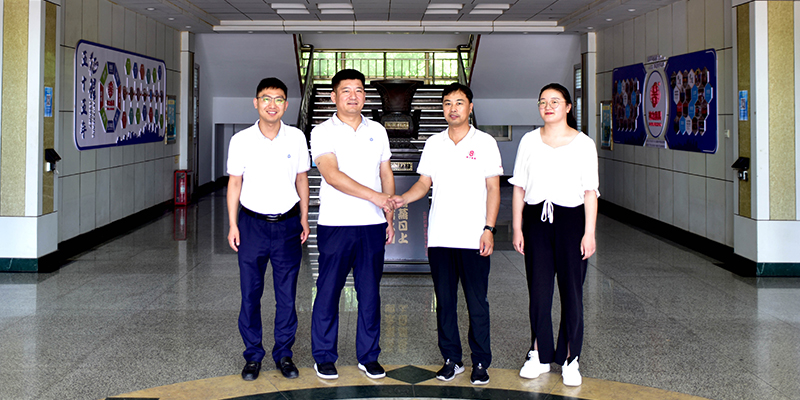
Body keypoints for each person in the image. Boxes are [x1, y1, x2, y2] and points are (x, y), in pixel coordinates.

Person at [391, 83, 502, 385]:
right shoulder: (434, 143)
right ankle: (452, 359)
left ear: (470, 107)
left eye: (459, 102)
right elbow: (423, 183)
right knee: (445, 302)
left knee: (477, 303)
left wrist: (489, 228)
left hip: (474, 237)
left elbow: (493, 188)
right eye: (447, 103)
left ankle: (481, 361)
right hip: (440, 237)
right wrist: (402, 199)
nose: (453, 108)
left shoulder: (485, 143)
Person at [509, 83, 599, 387]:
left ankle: (571, 358)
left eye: (555, 101)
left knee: (571, 292)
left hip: (572, 221)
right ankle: (538, 353)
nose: (548, 107)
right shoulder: (529, 141)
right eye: (543, 102)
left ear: (568, 107)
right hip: (536, 220)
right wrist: (517, 227)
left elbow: (590, 192)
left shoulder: (583, 144)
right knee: (538, 290)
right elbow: (519, 187)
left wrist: (589, 233)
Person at [309, 69, 395, 380]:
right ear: (334, 96)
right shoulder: (322, 132)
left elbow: (386, 172)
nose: (353, 96)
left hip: (372, 225)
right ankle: (324, 356)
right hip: (336, 224)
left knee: (370, 294)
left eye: (358, 90)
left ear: (364, 96)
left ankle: (369, 356)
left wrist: (388, 214)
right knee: (328, 291)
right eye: (346, 90)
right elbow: (332, 175)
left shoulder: (378, 130)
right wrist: (376, 197)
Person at [226, 77, 310, 381]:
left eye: (278, 99)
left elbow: (302, 179)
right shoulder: (241, 140)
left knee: (287, 295)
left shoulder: (296, 137)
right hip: (252, 226)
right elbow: (234, 183)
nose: (272, 105)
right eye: (266, 98)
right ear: (256, 103)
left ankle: (284, 354)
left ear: (286, 105)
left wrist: (304, 218)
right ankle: (253, 355)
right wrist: (233, 224)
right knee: (251, 294)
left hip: (287, 224)